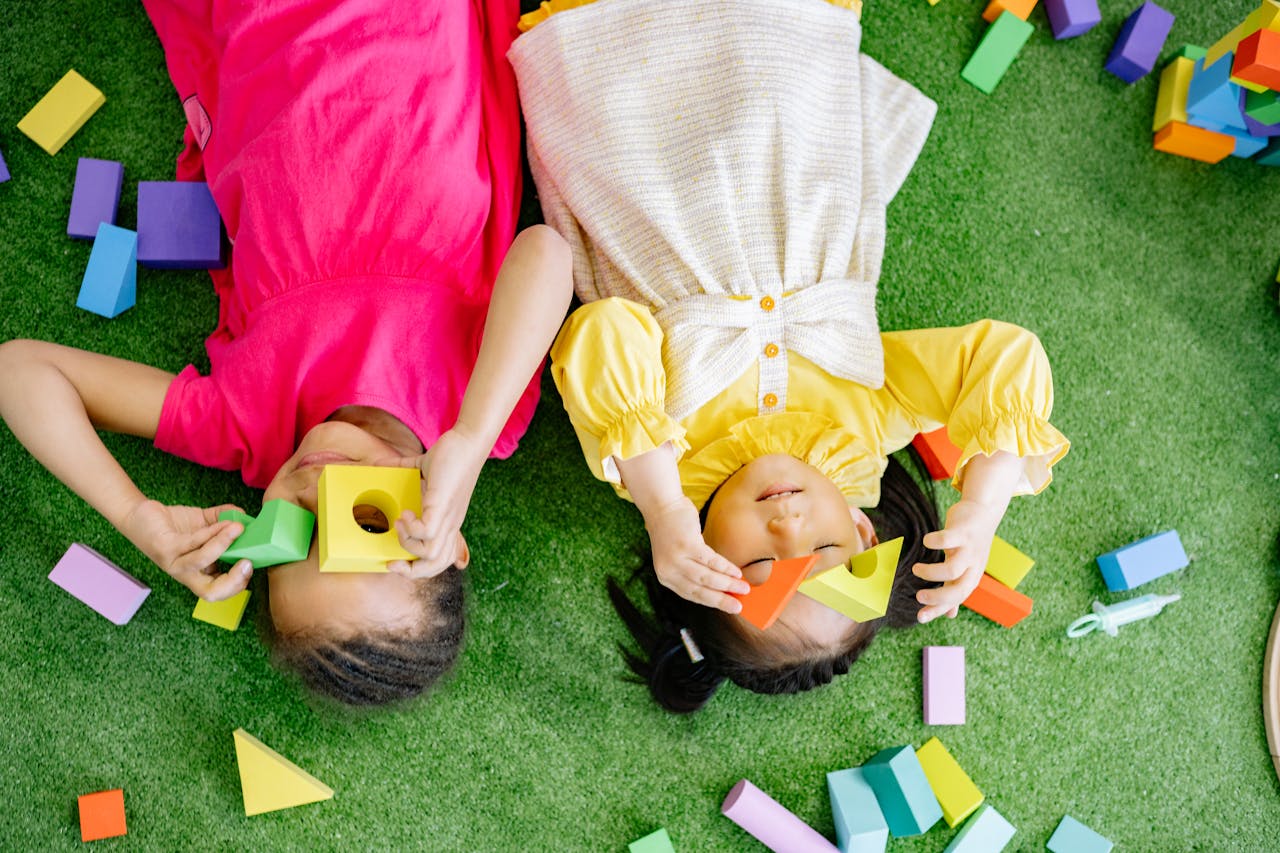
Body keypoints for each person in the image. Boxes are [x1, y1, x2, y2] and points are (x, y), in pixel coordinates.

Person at [0, 0, 572, 707]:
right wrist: (471, 436)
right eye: (361, 522)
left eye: (291, 537)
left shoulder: (244, 428)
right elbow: (547, 254)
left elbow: (20, 369)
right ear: (450, 538)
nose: (313, 492)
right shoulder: (478, 408)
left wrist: (134, 514)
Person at [509, 0, 1069, 712]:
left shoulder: (655, 457)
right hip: (781, 73)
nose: (788, 527)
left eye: (759, 563)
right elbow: (1004, 358)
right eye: (827, 551)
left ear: (700, 562)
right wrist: (983, 502)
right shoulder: (864, 428)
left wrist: (662, 507)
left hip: (630, 95)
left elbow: (600, 336)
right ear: (864, 530)